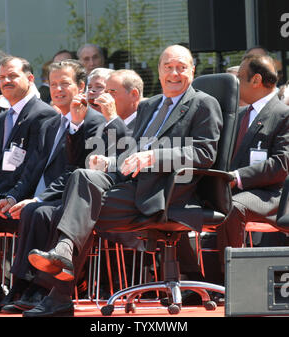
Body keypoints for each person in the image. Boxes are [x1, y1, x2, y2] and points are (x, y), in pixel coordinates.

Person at [25, 44, 223, 317]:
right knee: (84, 177)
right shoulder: (150, 105)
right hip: (132, 186)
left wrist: (153, 157)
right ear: (159, 70)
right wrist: (110, 163)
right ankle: (63, 255)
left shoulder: (203, 103)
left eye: (181, 67)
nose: (174, 73)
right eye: (168, 67)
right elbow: (132, 152)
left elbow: (203, 153)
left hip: (169, 192)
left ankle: (58, 291)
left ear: (192, 70)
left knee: (81, 208)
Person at [0, 59, 107, 313]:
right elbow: (31, 170)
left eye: (65, 83)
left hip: (71, 202)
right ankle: (9, 289)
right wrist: (12, 197)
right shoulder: (52, 123)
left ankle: (34, 288)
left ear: (81, 86)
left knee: (38, 212)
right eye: (53, 84)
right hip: (42, 198)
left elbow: (78, 171)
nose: (58, 89)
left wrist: (38, 199)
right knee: (4, 212)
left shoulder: (93, 121)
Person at [0, 55, 57, 307]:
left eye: (12, 76)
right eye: (2, 77)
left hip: (25, 199)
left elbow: (35, 169)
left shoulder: (44, 114)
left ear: (30, 79)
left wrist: (11, 197)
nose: (6, 81)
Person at [216, 54, 289, 270]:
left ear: (256, 80)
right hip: (236, 191)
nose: (234, 84)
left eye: (239, 77)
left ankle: (232, 280)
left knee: (232, 208)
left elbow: (280, 164)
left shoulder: (283, 114)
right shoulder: (239, 115)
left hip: (272, 195)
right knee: (184, 199)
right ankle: (193, 278)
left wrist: (236, 178)